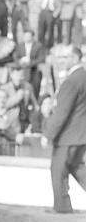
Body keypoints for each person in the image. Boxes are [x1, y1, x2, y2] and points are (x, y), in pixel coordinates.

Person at [44, 45, 86, 213]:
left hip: (68, 135)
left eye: (66, 58)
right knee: (77, 167)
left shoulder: (71, 81)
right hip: (81, 134)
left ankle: (62, 208)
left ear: (75, 58)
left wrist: (49, 134)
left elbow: (62, 112)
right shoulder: (83, 77)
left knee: (58, 170)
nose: (62, 61)